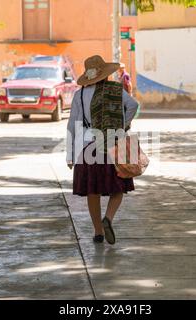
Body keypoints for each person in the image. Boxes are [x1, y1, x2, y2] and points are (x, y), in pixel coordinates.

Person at [66, 55, 139, 245]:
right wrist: (122, 124)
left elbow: (73, 125)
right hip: (113, 145)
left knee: (93, 191)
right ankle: (108, 218)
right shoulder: (116, 90)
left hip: (87, 147)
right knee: (118, 188)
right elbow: (133, 106)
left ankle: (98, 232)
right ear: (105, 74)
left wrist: (70, 154)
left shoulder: (80, 95)